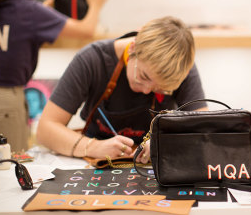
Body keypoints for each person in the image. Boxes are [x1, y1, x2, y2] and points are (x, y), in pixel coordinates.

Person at [36, 16, 208, 164]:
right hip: (98, 161)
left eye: (161, 89)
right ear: (133, 49)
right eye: (144, 77)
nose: (147, 91)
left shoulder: (179, 68)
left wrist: (166, 143)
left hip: (154, 165)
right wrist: (93, 147)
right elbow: (45, 130)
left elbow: (205, 130)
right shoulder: (92, 61)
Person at [0, 0, 107, 152]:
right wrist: (96, 3)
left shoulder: (26, 13)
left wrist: (42, 13)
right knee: (9, 164)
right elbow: (86, 30)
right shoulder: (26, 11)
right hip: (4, 100)